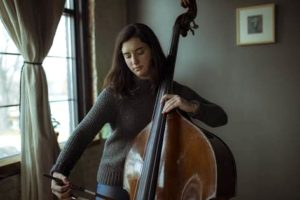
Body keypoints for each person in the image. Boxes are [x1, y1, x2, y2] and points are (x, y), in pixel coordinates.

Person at [50, 22, 228, 200]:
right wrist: (60, 169)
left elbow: (221, 117)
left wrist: (191, 106)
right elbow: (84, 131)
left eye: (140, 52)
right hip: (116, 180)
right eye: (127, 55)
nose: (134, 61)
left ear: (152, 50)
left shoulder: (173, 91)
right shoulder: (115, 93)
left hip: (160, 180)